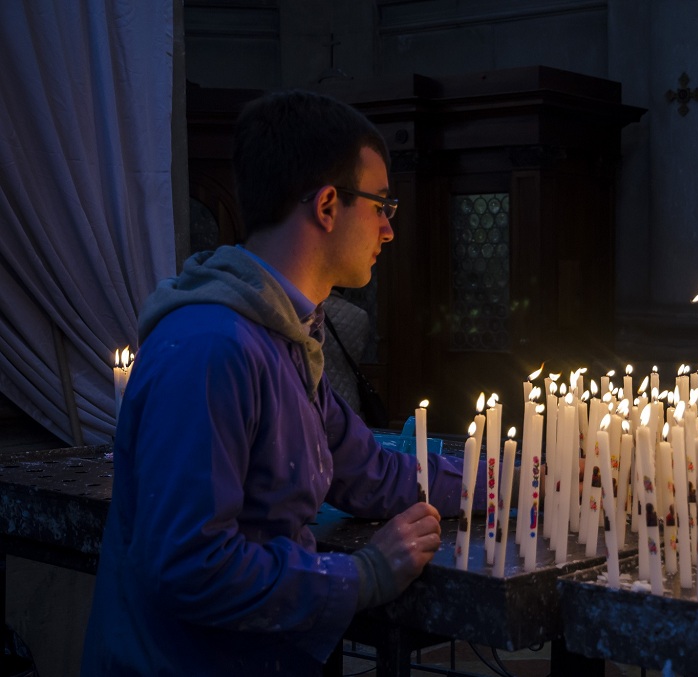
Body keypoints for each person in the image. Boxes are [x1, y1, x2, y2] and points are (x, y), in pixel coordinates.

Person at [82, 90, 483, 674]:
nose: (388, 230)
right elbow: (193, 566)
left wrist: (505, 482)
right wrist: (365, 573)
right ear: (327, 205)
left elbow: (370, 473)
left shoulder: (283, 336)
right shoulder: (213, 350)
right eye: (380, 206)